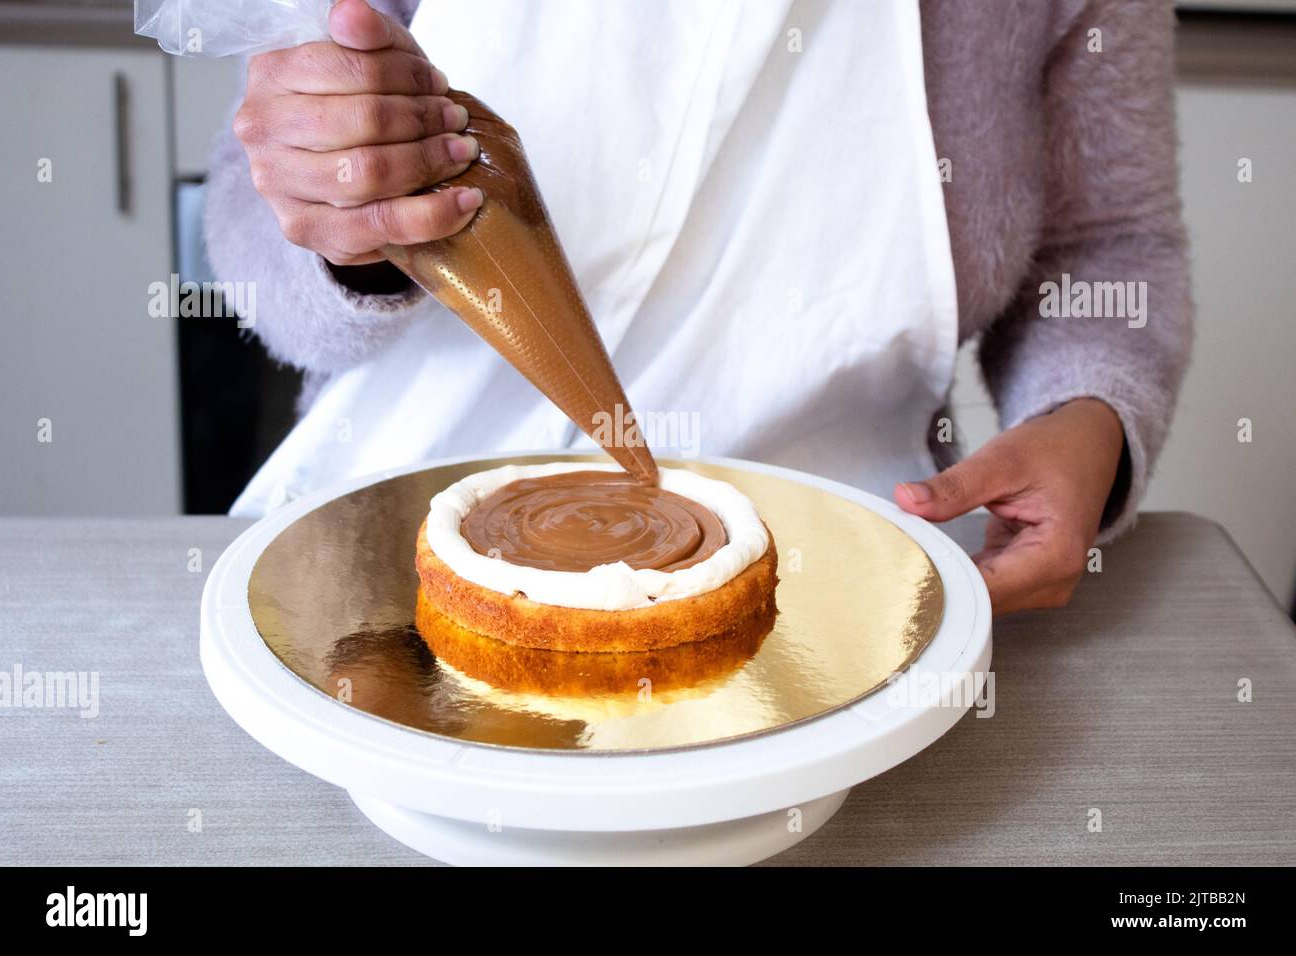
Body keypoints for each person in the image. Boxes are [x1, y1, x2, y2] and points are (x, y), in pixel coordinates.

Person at [206, 0, 1192, 615]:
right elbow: (258, 237)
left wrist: (1090, 417)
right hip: (391, 567)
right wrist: (345, 216)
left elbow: (1106, 247)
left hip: (840, 577)